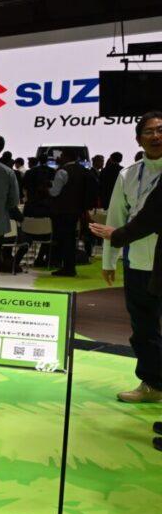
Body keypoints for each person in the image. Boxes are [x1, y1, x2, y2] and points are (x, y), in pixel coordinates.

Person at [98, 111, 162, 403]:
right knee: (143, 328)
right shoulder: (128, 174)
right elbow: (115, 219)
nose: (156, 136)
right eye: (149, 131)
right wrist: (108, 261)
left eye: (160, 130)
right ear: (138, 139)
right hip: (137, 262)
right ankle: (153, 384)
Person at [47, 149, 92, 276]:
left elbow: (54, 192)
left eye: (61, 155)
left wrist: (47, 188)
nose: (59, 158)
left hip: (62, 210)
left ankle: (67, 267)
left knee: (64, 239)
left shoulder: (62, 171)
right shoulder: (84, 171)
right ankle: (69, 267)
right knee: (71, 239)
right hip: (77, 210)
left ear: (66, 157)